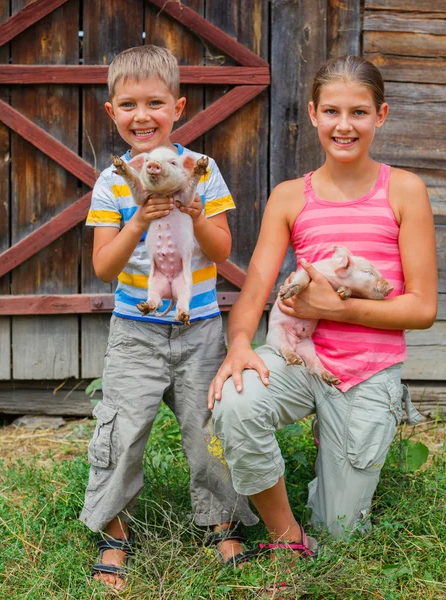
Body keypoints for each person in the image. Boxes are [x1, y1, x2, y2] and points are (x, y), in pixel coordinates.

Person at [209, 55, 438, 554]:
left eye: (359, 112)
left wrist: (334, 309)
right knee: (237, 399)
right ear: (313, 114)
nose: (344, 125)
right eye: (332, 111)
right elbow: (254, 292)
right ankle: (285, 537)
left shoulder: (403, 191)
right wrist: (240, 346)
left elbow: (422, 308)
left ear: (382, 115)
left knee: (340, 538)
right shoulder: (291, 197)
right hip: (296, 357)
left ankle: (329, 479)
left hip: (366, 370)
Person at [80, 45, 258, 589]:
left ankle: (221, 520)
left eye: (155, 103)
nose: (142, 116)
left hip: (199, 328)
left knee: (207, 429)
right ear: (112, 112)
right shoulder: (113, 182)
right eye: (128, 105)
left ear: (177, 107)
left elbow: (223, 251)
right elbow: (105, 267)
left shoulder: (199, 169)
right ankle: (114, 531)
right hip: (135, 331)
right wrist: (139, 219)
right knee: (124, 428)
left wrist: (193, 210)